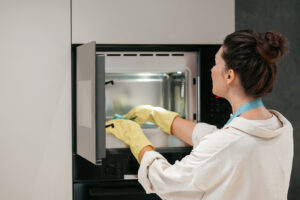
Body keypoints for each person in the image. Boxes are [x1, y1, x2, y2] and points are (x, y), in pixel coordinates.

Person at [106, 30, 293, 200]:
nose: (211, 70)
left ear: (229, 76)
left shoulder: (228, 144)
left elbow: (167, 182)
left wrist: (137, 140)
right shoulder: (280, 127)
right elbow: (221, 142)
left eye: (216, 63)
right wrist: (161, 117)